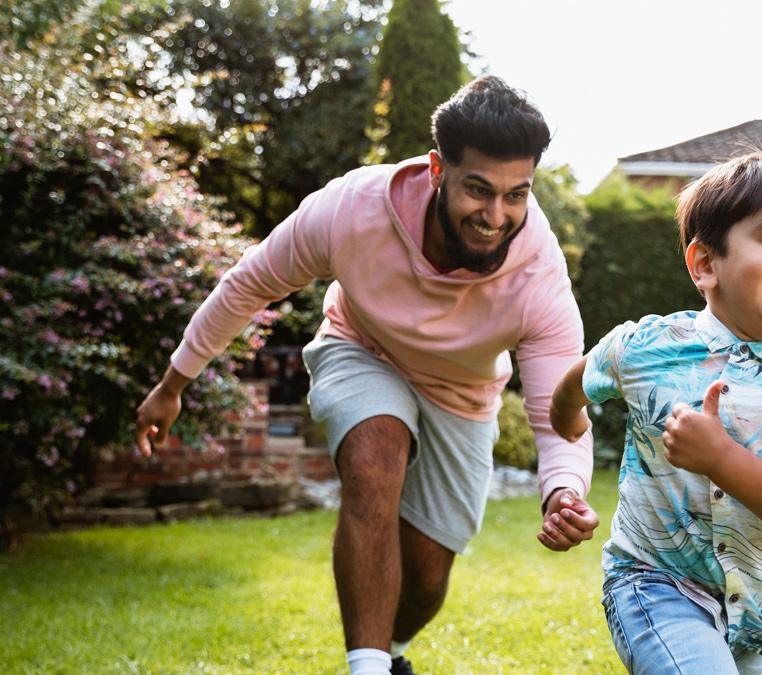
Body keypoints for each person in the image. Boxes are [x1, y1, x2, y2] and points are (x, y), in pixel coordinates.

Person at [135, 76, 600, 675]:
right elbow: (249, 284)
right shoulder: (352, 209)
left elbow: (556, 408)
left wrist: (564, 490)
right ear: (437, 169)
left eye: (516, 195)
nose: (495, 216)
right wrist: (173, 383)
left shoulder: (538, 275)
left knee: (428, 577)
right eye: (478, 190)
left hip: (464, 393)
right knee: (373, 456)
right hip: (362, 348)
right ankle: (368, 668)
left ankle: (391, 652)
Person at [549, 152, 762, 674]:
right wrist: (569, 426)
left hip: (750, 613)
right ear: (704, 264)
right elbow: (572, 386)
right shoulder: (644, 346)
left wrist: (721, 458)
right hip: (651, 583)